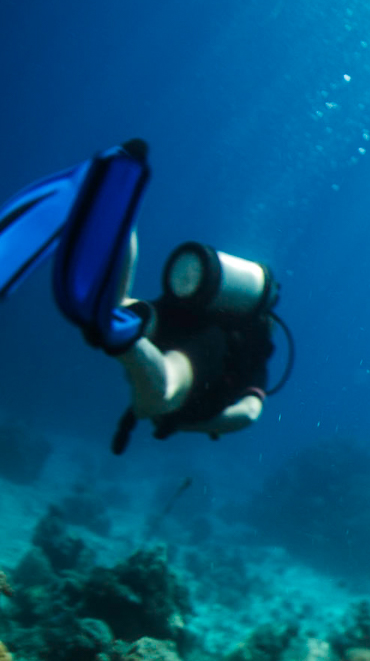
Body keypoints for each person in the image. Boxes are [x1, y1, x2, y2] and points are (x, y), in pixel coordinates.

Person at [0, 139, 290, 454]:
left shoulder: (224, 314)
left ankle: (116, 199)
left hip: (176, 309)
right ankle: (126, 340)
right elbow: (248, 413)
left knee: (120, 304)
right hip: (203, 350)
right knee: (161, 392)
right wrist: (186, 423)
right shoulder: (252, 349)